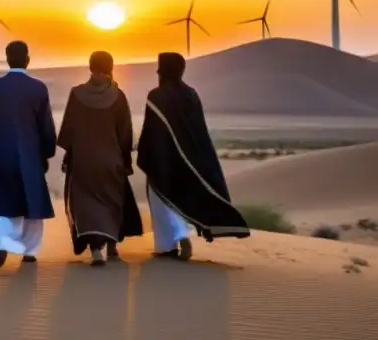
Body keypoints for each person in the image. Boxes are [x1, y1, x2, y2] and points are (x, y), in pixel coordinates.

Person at [136, 52, 250, 259]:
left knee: (162, 202)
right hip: (190, 161)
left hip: (163, 160)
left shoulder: (156, 95)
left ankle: (170, 245)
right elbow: (198, 131)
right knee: (181, 200)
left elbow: (152, 131)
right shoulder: (191, 94)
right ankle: (179, 238)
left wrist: (146, 154)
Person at [0, 40, 57, 268]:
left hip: (2, 152)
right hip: (31, 154)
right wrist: (46, 152)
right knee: (32, 203)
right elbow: (46, 126)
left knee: (1, 201)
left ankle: (3, 243)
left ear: (7, 58)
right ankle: (29, 250)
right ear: (27, 59)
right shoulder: (39, 88)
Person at [57, 50, 143, 266]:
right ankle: (112, 245)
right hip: (110, 159)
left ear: (90, 67)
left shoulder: (76, 94)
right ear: (111, 67)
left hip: (83, 160)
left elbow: (68, 128)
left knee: (87, 205)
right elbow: (125, 133)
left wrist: (69, 154)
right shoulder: (118, 95)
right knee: (111, 202)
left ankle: (96, 249)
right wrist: (125, 159)